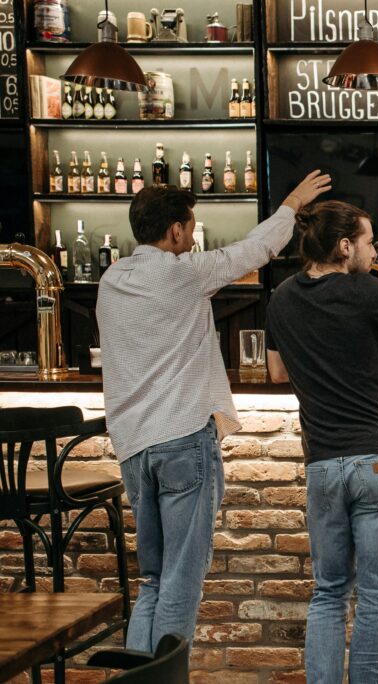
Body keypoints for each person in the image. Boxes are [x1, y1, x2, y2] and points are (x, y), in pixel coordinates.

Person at [97, 171, 331, 652]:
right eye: (191, 226)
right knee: (181, 584)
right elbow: (255, 249)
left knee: (154, 581)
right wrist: (290, 202)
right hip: (182, 440)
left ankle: (139, 682)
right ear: (177, 231)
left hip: (134, 450)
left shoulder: (110, 279)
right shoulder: (184, 274)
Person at [264, 201, 378, 683]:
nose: (373, 252)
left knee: (328, 593)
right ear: (345, 246)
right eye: (368, 242)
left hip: (323, 463)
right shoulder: (364, 290)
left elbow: (276, 371)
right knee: (374, 596)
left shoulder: (283, 297)